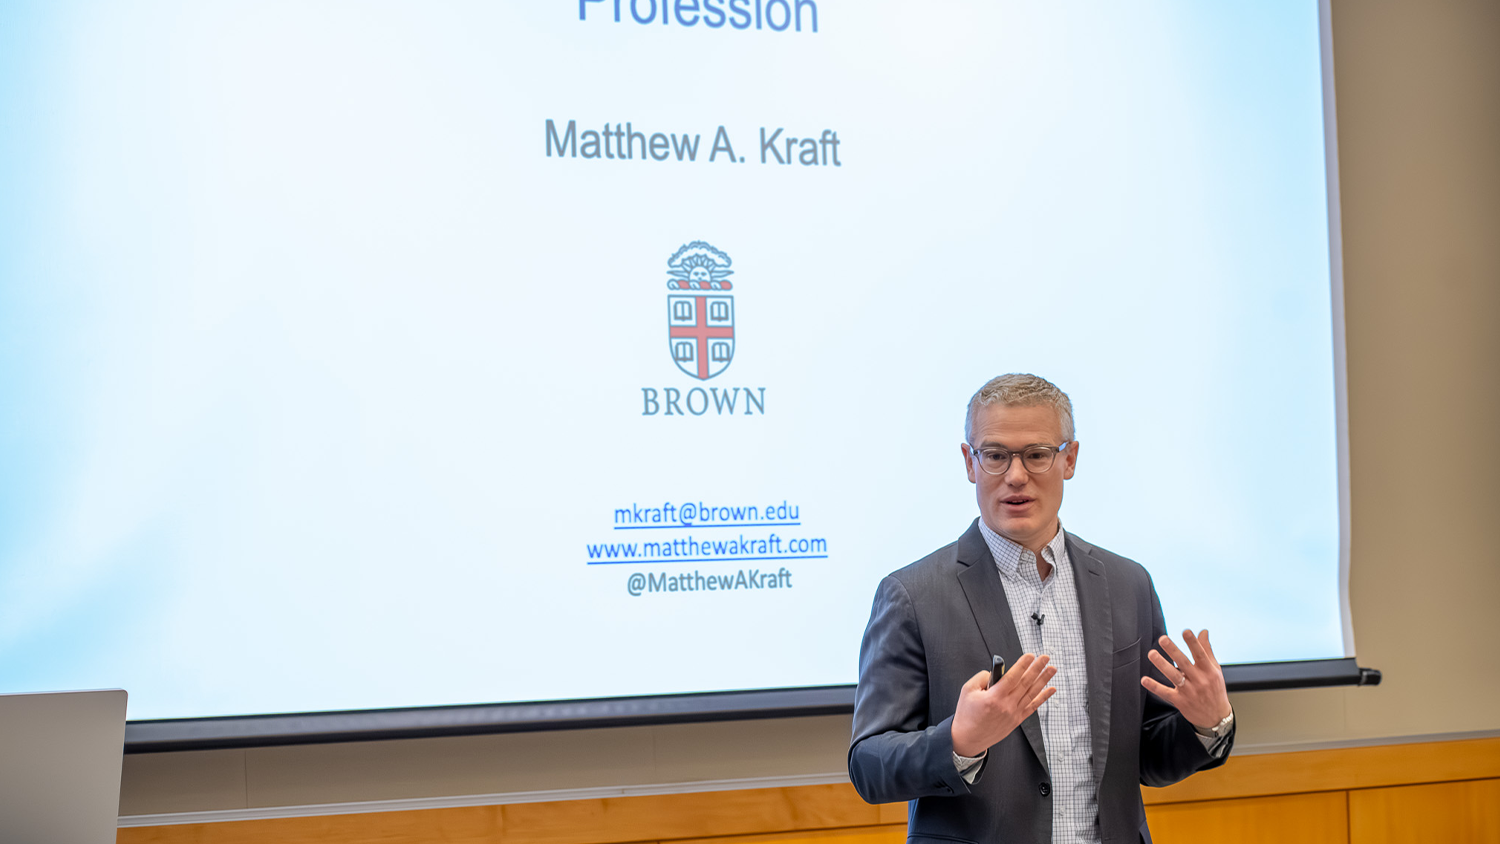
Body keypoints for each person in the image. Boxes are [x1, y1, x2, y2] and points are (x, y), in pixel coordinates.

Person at [848, 374, 1235, 844]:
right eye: (995, 455)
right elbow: (869, 766)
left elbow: (1149, 757)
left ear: (1069, 459)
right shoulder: (912, 595)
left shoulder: (1127, 583)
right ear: (970, 463)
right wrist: (958, 742)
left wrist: (1207, 722)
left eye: (1036, 454)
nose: (1015, 475)